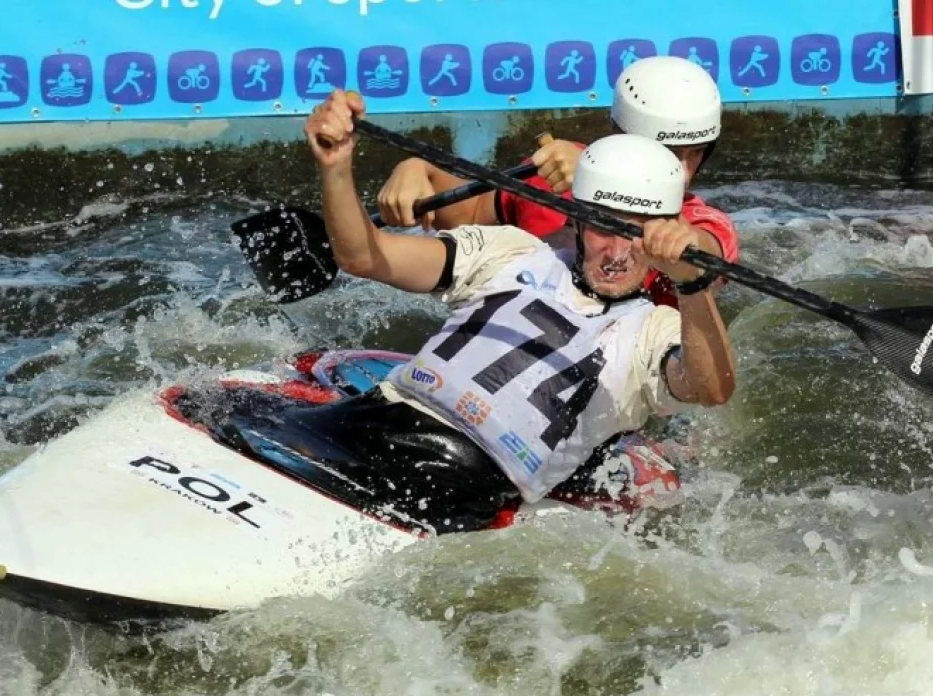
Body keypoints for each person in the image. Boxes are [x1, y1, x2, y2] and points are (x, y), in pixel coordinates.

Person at [281, 89, 735, 532]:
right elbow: (365, 257)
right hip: (370, 418)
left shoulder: (656, 329)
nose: (618, 252)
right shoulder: (511, 250)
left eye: (638, 234)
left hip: (460, 475)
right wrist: (337, 166)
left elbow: (711, 389)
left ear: (664, 232)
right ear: (574, 217)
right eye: (603, 227)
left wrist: (689, 277)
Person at [377, 55, 738, 308]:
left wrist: (598, 180)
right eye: (670, 153)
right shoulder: (552, 176)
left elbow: (700, 254)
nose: (686, 171)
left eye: (698, 152)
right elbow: (464, 211)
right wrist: (417, 170)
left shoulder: (705, 224)